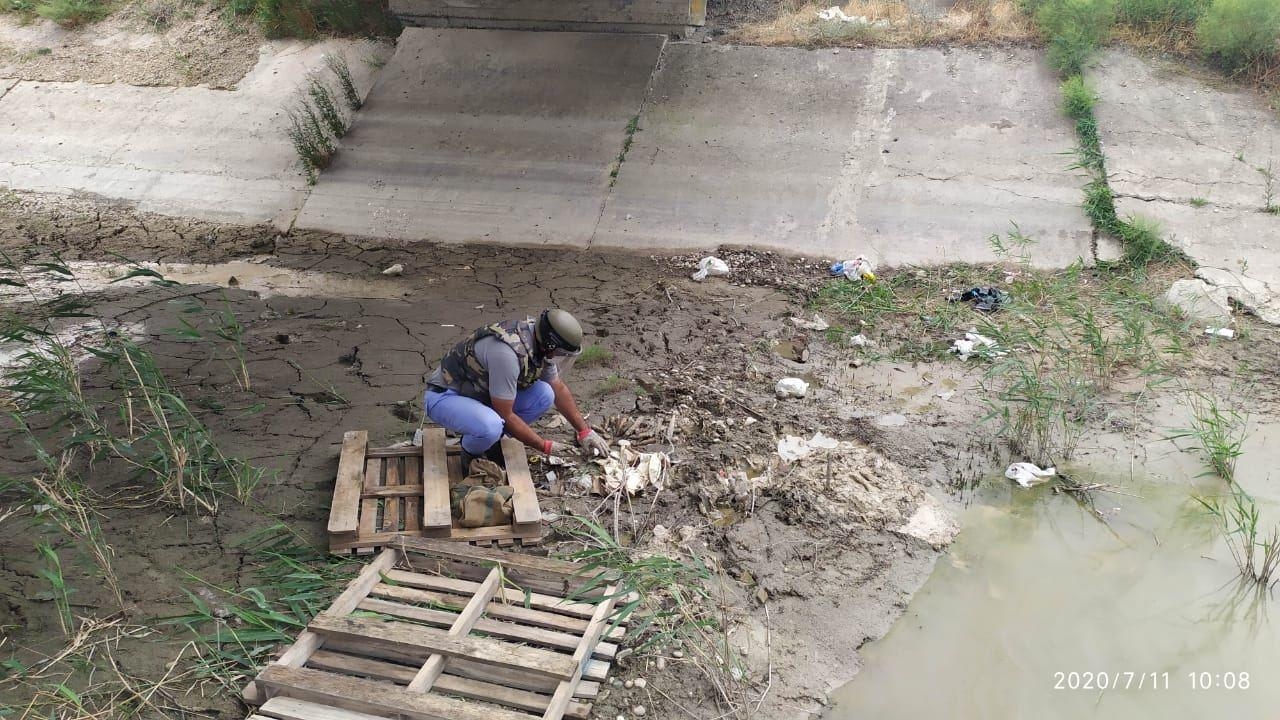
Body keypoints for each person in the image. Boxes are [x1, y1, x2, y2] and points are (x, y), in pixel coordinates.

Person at [423, 309, 611, 470]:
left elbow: (557, 387)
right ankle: (470, 453)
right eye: (562, 353)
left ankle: (491, 442)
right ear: (551, 345)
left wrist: (584, 432)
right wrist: (544, 446)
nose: (560, 357)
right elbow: (505, 414)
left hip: (478, 394)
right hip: (445, 397)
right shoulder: (507, 353)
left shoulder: (538, 342)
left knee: (545, 393)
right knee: (491, 426)